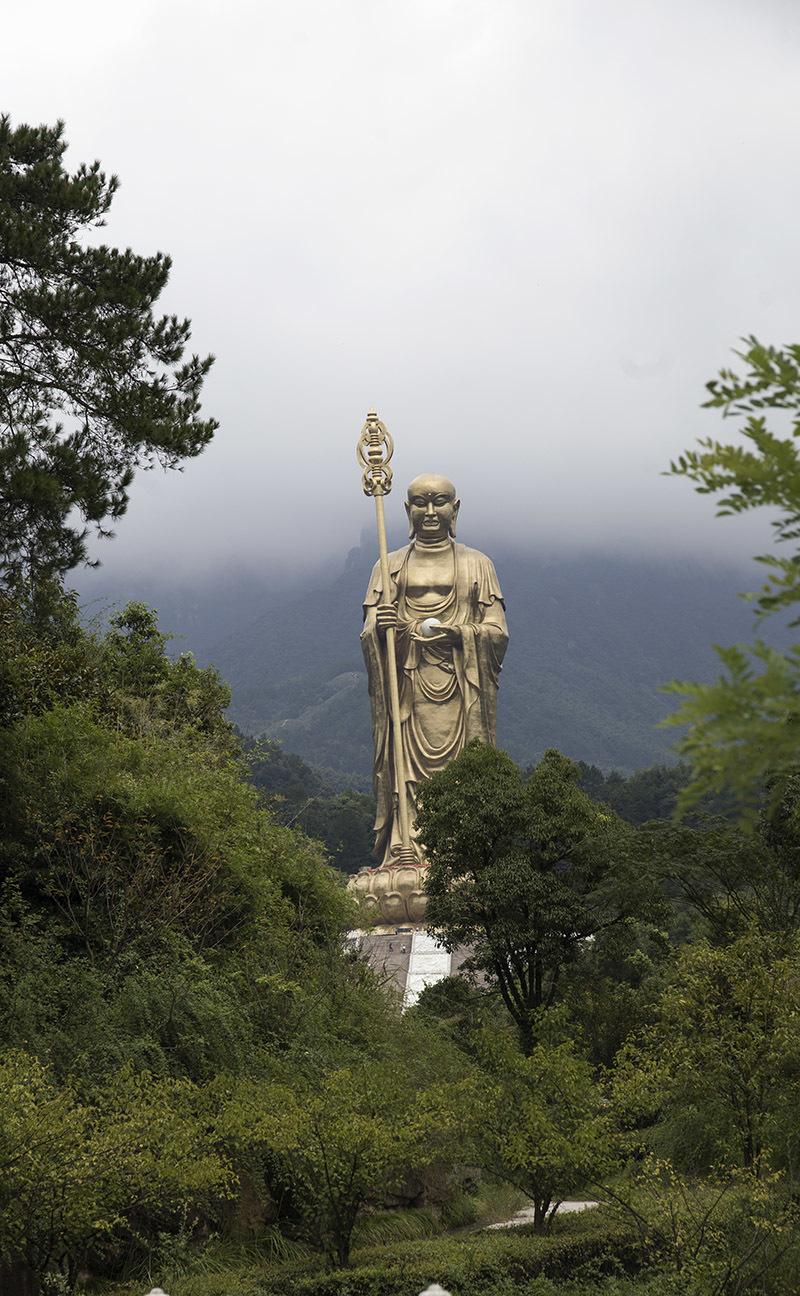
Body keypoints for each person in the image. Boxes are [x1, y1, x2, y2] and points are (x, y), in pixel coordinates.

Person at [361, 473, 508, 864]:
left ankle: (461, 857)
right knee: (406, 772)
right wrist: (385, 627)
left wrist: (458, 633)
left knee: (461, 775)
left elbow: (497, 632)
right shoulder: (387, 567)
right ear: (407, 510)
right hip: (407, 691)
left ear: (454, 509)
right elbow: (370, 635)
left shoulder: (478, 565)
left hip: (462, 691)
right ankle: (405, 848)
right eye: (420, 503)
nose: (429, 511)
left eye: (439, 501)